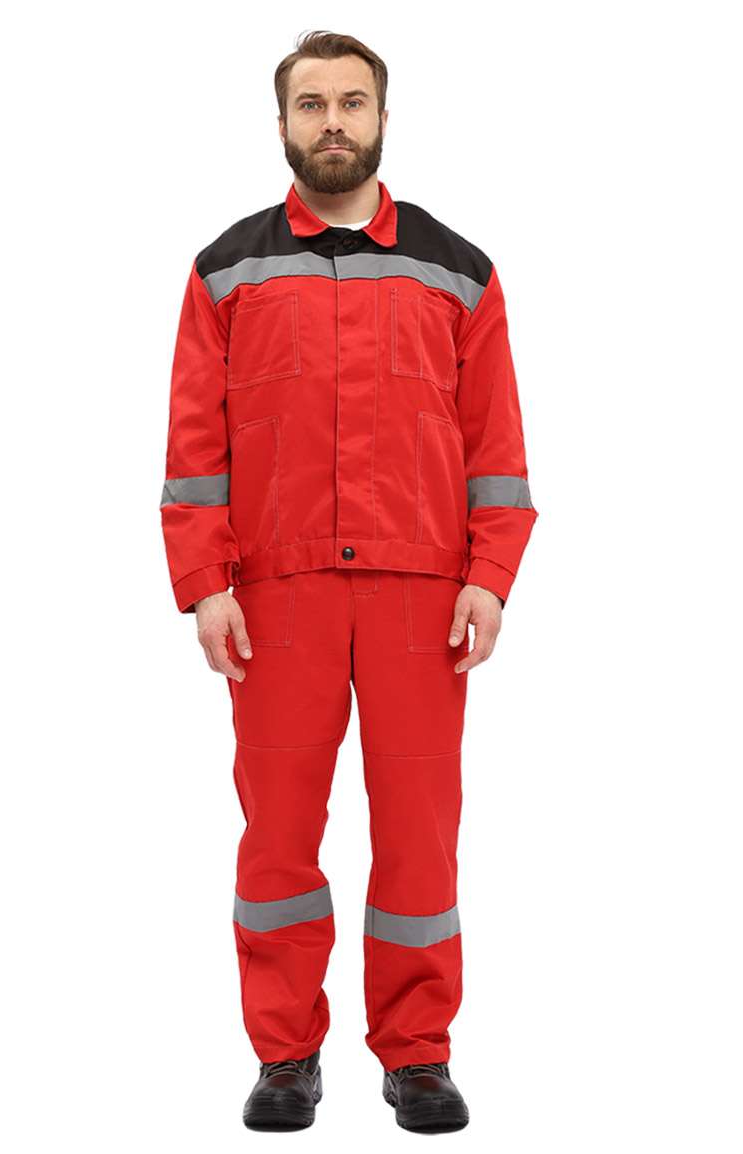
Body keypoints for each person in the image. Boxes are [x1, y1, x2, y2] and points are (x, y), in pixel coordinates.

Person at [159, 30, 538, 1134]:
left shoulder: (457, 269)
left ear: (381, 117)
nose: (333, 121)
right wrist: (205, 581)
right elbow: (194, 444)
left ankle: (417, 1053)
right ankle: (285, 1054)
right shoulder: (225, 270)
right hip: (274, 599)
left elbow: (496, 444)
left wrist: (490, 575)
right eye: (312, 103)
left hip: (423, 596)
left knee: (418, 834)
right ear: (282, 122)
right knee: (277, 836)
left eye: (352, 102)